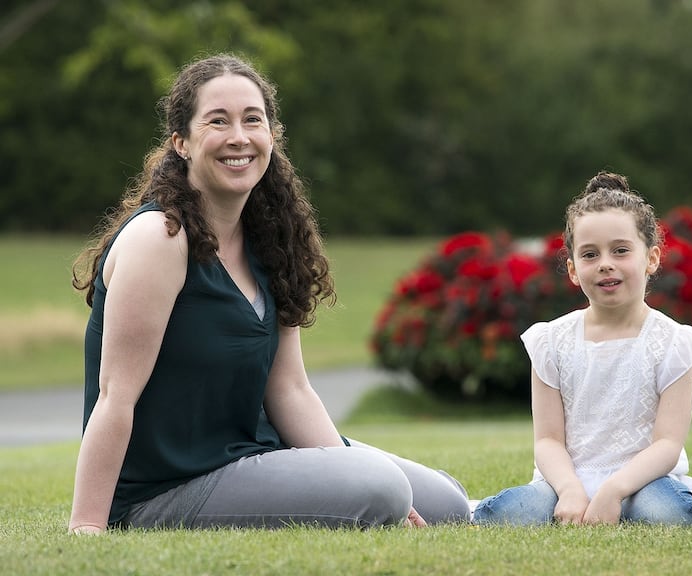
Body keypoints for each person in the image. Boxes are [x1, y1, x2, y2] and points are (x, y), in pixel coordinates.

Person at [68, 53, 470, 534]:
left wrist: (342, 469)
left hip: (253, 454)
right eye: (218, 121)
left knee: (447, 502)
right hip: (168, 488)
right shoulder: (161, 238)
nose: (239, 137)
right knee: (382, 487)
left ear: (271, 137)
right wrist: (89, 525)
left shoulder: (270, 239)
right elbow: (115, 396)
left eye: (252, 120)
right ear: (182, 143)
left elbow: (290, 389)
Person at [472, 171, 692, 526]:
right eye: (590, 254)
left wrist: (613, 491)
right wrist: (571, 490)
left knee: (674, 515)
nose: (605, 263)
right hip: (565, 481)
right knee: (508, 514)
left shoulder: (674, 343)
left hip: (643, 482)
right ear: (572, 269)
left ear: (651, 258)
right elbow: (548, 441)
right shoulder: (551, 342)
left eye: (620, 250)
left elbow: (667, 444)